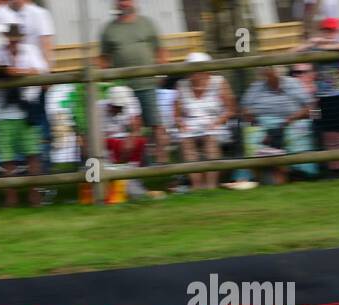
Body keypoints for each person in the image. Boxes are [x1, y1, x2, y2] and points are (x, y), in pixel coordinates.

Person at [0, 22, 48, 204]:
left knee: (33, 154)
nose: (13, 43)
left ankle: (34, 193)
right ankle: (11, 197)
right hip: (2, 113)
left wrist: (19, 72)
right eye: (11, 40)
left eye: (16, 40)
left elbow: (44, 72)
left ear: (21, 39)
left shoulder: (31, 51)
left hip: (27, 109)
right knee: (7, 158)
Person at [99, 0, 168, 164]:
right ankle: (137, 164)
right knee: (129, 128)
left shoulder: (147, 23)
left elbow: (161, 50)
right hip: (122, 90)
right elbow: (103, 58)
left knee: (156, 124)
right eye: (120, 1)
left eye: (127, 0)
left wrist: (162, 72)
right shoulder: (109, 29)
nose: (124, 3)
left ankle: (163, 166)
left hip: (147, 84)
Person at [295, 17, 339, 174]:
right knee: (328, 134)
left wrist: (329, 46)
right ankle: (334, 169)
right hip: (323, 96)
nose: (329, 33)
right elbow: (294, 52)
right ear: (321, 31)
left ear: (337, 32)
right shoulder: (316, 47)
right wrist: (312, 43)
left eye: (332, 30)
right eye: (326, 30)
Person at [240, 64, 315, 184]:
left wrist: (291, 118)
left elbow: (309, 107)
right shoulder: (256, 86)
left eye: (271, 73)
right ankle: (255, 176)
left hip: (292, 120)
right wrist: (254, 120)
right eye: (266, 74)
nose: (268, 76)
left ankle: (301, 173)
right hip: (261, 122)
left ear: (279, 72)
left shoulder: (293, 84)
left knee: (297, 132)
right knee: (252, 134)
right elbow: (244, 109)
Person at [173, 53, 235, 189]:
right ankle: (197, 185)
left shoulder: (219, 82)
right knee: (186, 141)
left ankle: (211, 185)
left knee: (210, 139)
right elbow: (176, 115)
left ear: (207, 69)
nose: (194, 73)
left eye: (198, 68)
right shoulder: (181, 85)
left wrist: (217, 122)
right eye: (191, 69)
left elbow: (231, 110)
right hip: (191, 126)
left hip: (216, 123)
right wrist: (181, 125)